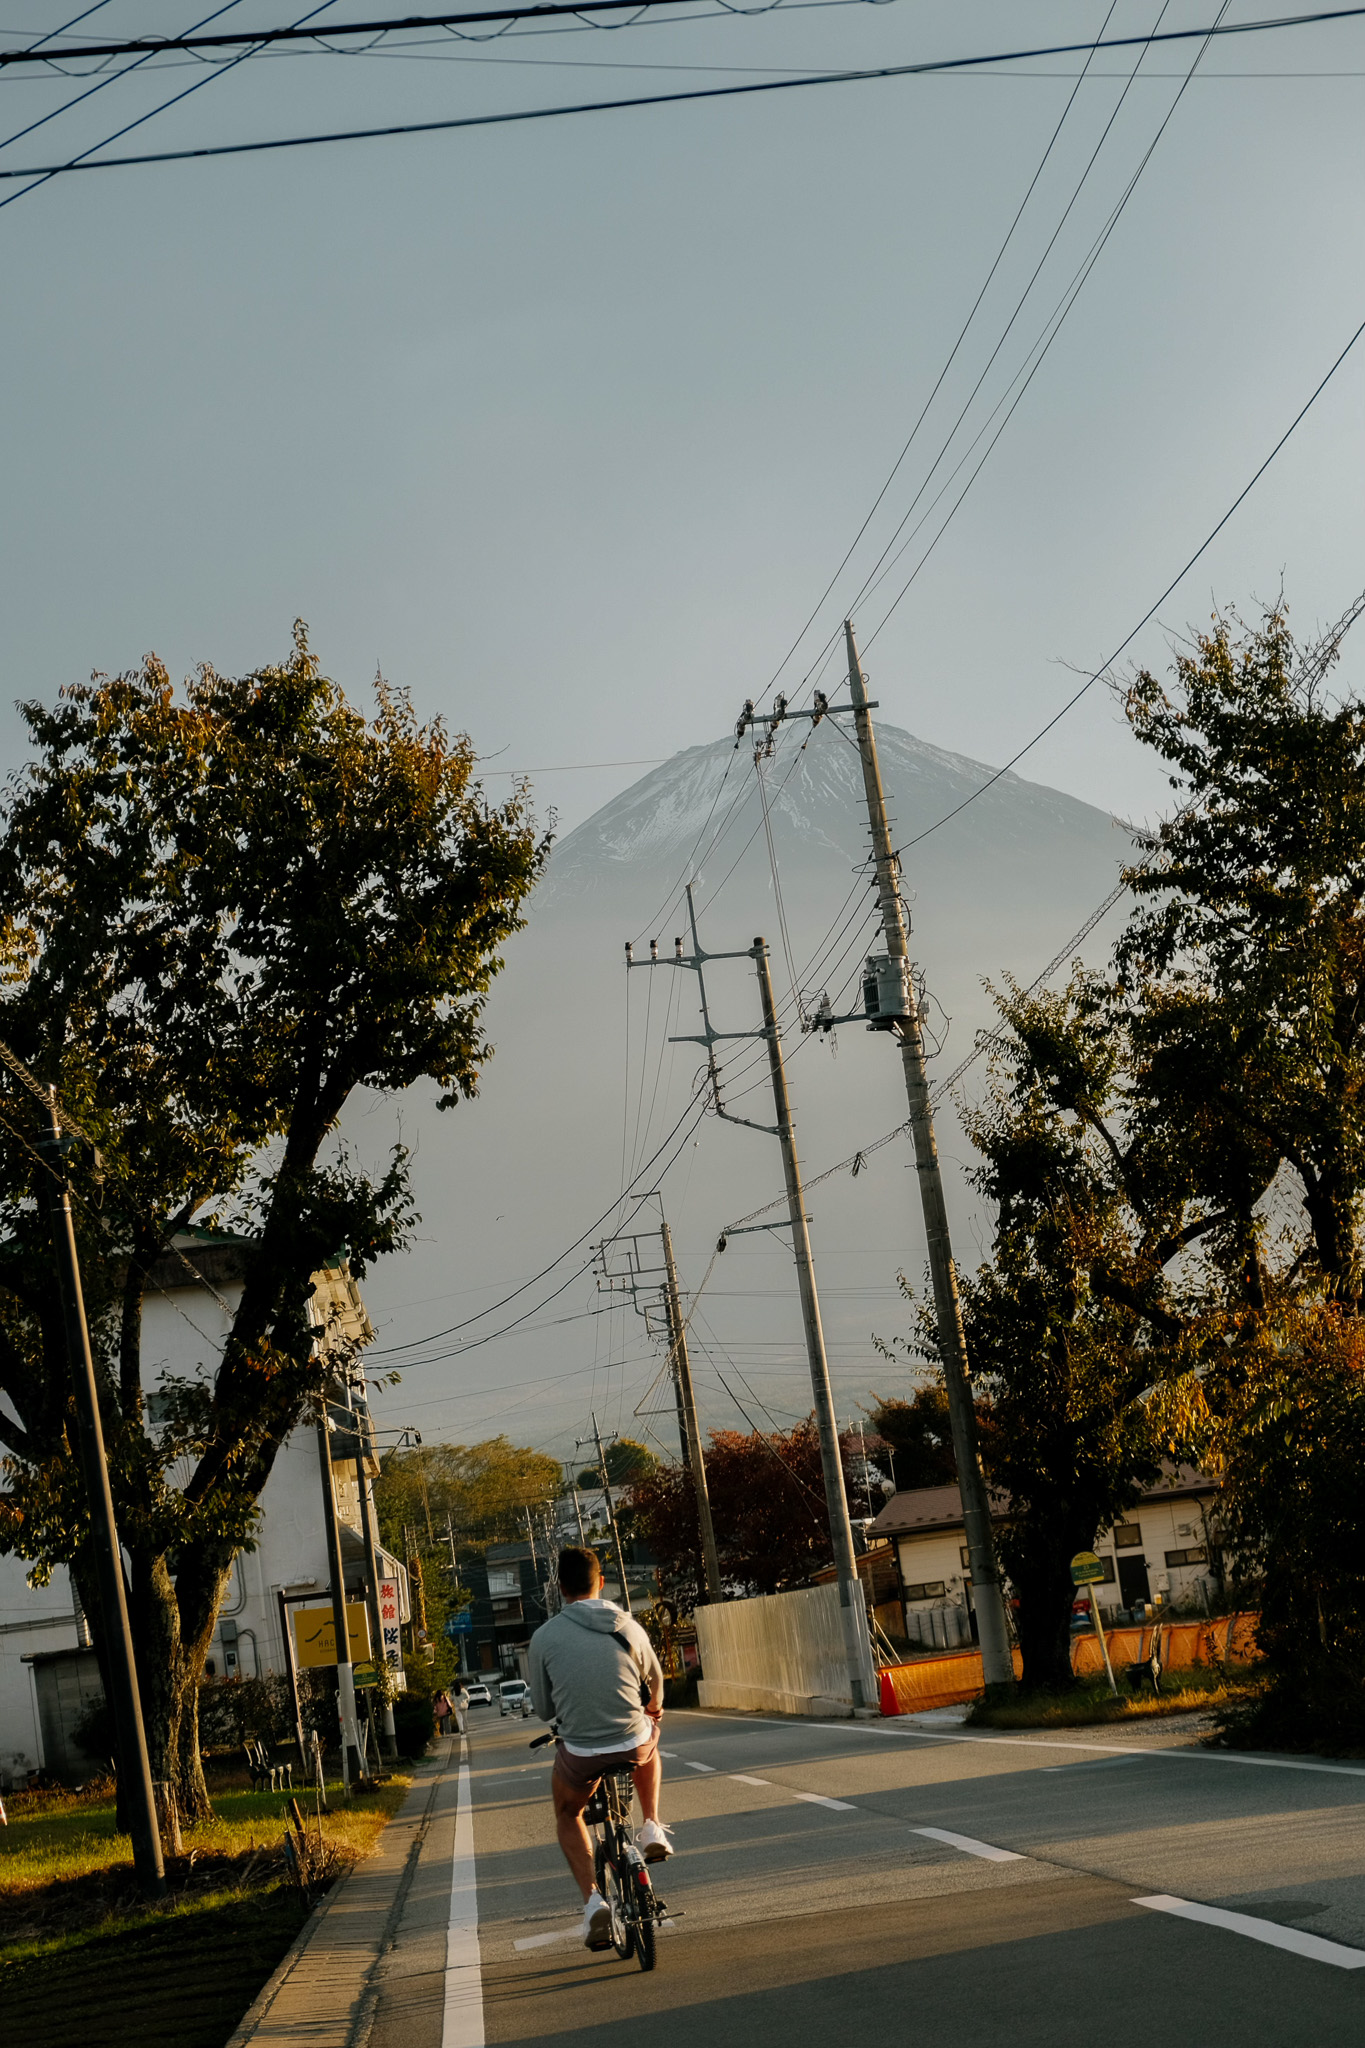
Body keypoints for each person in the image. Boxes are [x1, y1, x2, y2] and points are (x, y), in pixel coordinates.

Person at [528, 1545, 670, 1949]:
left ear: (560, 1587)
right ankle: (651, 1825)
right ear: (601, 1583)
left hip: (581, 1755)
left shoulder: (544, 1637)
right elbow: (657, 1683)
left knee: (567, 1811)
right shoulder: (628, 1625)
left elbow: (543, 1708)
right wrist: (652, 1711)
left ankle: (593, 1901)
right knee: (647, 1735)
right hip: (633, 1744)